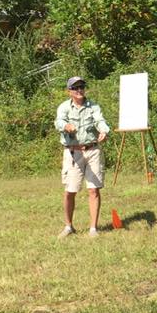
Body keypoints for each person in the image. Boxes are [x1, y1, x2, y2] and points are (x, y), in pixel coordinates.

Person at [54, 76, 111, 237]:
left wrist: (104, 131)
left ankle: (93, 228)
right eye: (75, 88)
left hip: (93, 150)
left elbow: (100, 121)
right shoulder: (64, 107)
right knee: (70, 191)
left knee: (93, 190)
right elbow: (58, 122)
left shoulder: (93, 106)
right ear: (69, 91)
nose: (79, 90)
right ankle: (68, 226)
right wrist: (66, 126)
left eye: (81, 87)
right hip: (73, 152)